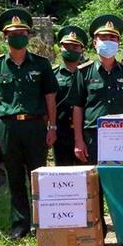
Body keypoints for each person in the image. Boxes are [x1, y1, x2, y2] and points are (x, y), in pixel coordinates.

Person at [0, 8, 58, 240]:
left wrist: (52, 127)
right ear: (5, 37)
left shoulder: (41, 65)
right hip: (8, 127)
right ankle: (20, 224)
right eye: (13, 33)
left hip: (35, 126)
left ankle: (41, 221)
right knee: (14, 177)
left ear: (29, 35)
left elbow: (50, 97)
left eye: (23, 32)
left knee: (38, 176)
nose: (18, 36)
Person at [73, 14, 123, 239]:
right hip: (93, 136)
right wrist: (78, 140)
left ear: (118, 43)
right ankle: (97, 235)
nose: (107, 41)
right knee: (94, 185)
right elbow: (78, 108)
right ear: (94, 41)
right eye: (103, 37)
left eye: (112, 37)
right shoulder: (83, 72)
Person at [53, 25, 87, 166]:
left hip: (85, 130)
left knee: (87, 174)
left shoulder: (88, 73)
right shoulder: (53, 74)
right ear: (60, 48)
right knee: (63, 172)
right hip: (62, 131)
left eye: (75, 47)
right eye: (67, 46)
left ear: (82, 50)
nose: (71, 50)